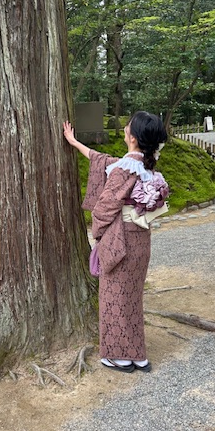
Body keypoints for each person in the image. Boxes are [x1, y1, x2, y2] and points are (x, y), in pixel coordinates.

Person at [63, 111, 169, 373]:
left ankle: (118, 355)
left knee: (113, 298)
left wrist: (98, 233)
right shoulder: (146, 165)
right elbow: (102, 160)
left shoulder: (124, 169)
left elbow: (103, 209)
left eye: (127, 126)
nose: (124, 128)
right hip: (141, 240)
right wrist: (75, 142)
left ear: (132, 137)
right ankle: (138, 355)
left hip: (120, 240)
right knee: (132, 298)